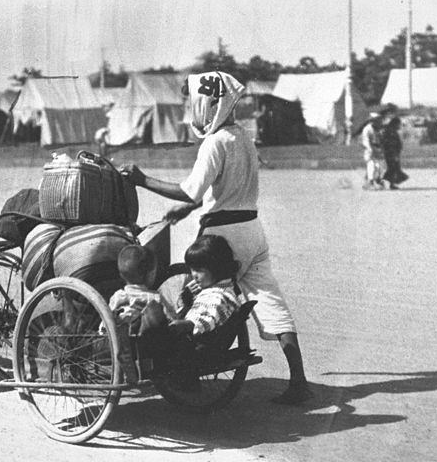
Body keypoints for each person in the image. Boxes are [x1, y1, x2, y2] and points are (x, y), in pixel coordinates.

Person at [121, 71, 313, 405]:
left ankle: (184, 369)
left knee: (190, 294)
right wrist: (188, 210)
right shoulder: (243, 136)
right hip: (252, 231)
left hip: (221, 236)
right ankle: (299, 380)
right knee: (270, 301)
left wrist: (141, 179)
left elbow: (189, 190)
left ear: (209, 104)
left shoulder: (214, 142)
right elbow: (219, 190)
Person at [107, 245, 167, 384]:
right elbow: (168, 316)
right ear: (150, 274)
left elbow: (108, 317)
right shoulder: (155, 297)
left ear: (121, 275)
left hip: (117, 341)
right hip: (143, 343)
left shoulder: (118, 296)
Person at [167, 235, 241, 339]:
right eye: (192, 269)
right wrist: (185, 299)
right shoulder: (217, 288)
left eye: (198, 270)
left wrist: (187, 325)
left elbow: (208, 318)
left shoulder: (217, 296)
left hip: (193, 343)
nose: (194, 275)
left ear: (217, 268)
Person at [378, 105, 408, 190]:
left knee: (393, 169)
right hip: (391, 153)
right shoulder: (389, 131)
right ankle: (383, 181)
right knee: (392, 169)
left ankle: (390, 183)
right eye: (399, 124)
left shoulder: (392, 130)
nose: (400, 126)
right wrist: (394, 153)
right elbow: (389, 143)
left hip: (394, 152)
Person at [359, 112, 384, 189]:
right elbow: (365, 140)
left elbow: (382, 140)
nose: (379, 121)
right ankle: (370, 182)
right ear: (372, 121)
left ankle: (376, 180)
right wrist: (369, 148)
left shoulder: (379, 129)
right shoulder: (367, 129)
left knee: (379, 166)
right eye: (377, 120)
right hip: (369, 150)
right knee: (371, 164)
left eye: (379, 120)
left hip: (377, 150)